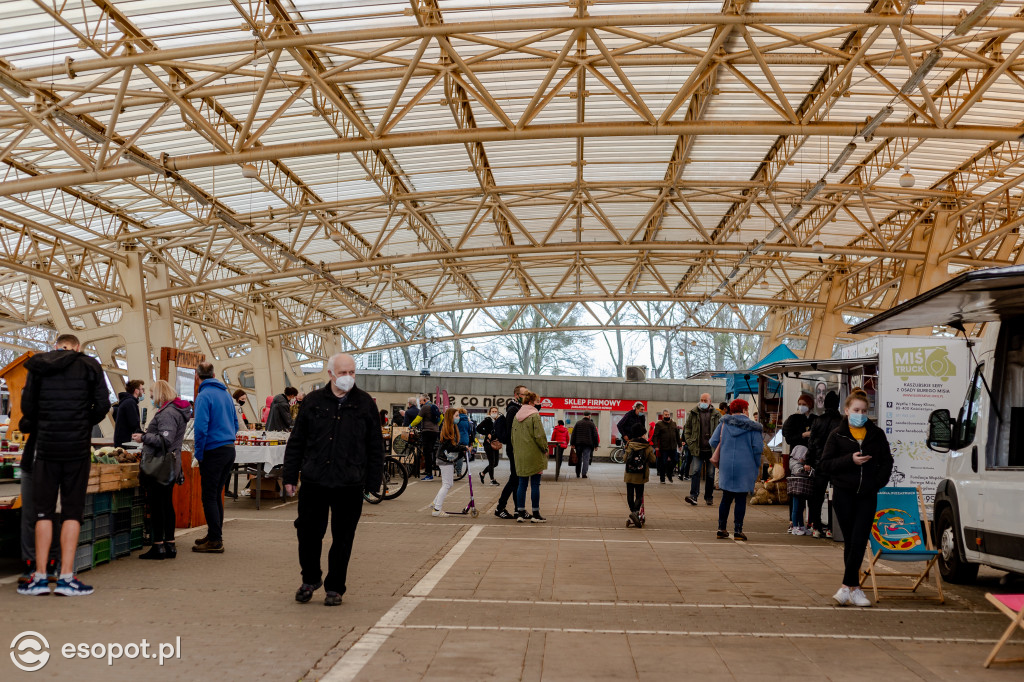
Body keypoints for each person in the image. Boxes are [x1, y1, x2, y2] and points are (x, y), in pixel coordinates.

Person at [283, 353, 383, 606]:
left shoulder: (365, 404)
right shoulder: (314, 401)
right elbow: (297, 441)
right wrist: (289, 475)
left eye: (352, 373)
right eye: (343, 373)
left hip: (349, 483)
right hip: (315, 480)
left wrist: (373, 483)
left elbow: (375, 446)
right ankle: (311, 578)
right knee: (307, 532)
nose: (348, 377)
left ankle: (335, 587)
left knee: (343, 537)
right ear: (330, 374)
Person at [18, 334, 110, 596]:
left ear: (56, 346)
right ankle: (67, 577)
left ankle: (38, 577)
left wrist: (44, 424)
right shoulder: (90, 365)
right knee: (72, 511)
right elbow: (103, 405)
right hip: (76, 450)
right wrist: (82, 423)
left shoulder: (37, 365)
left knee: (42, 512)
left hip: (45, 449)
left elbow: (28, 408)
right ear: (77, 347)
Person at [819, 392, 893, 608]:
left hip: (867, 495)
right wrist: (849, 460)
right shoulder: (837, 435)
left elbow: (887, 462)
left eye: (864, 411)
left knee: (859, 539)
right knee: (850, 541)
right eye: (856, 410)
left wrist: (876, 482)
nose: (860, 414)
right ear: (847, 411)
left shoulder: (876, 434)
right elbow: (825, 464)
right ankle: (854, 588)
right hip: (844, 494)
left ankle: (847, 587)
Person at [134, 380, 190, 560]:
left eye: (151, 394)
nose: (150, 397)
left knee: (157, 505)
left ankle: (158, 545)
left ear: (159, 394)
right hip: (171, 464)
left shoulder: (167, 413)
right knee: (166, 504)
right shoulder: (177, 410)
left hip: (160, 465)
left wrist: (144, 438)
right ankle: (169, 544)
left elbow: (165, 439)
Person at [192, 362, 238, 554]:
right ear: (213, 374)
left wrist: (199, 453)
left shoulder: (204, 396)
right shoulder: (226, 394)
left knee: (209, 496)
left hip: (213, 450)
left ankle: (216, 540)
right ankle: (213, 533)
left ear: (197, 376)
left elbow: (200, 428)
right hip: (228, 448)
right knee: (217, 494)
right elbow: (235, 423)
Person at [710, 399, 763, 541]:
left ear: (732, 410)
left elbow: (713, 441)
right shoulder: (754, 427)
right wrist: (757, 465)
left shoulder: (724, 423)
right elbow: (758, 448)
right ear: (745, 410)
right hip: (745, 465)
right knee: (740, 498)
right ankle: (738, 530)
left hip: (726, 465)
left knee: (726, 498)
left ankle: (721, 529)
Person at [806, 390, 842, 538]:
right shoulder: (842, 422)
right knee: (837, 496)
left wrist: (808, 461)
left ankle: (816, 526)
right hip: (837, 464)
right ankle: (833, 528)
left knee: (817, 497)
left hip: (820, 463)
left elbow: (812, 444)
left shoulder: (818, 421)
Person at [511, 391, 548, 523]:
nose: (539, 404)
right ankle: (535, 513)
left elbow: (512, 437)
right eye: (538, 401)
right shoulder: (534, 415)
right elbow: (539, 436)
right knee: (535, 484)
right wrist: (545, 448)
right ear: (532, 402)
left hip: (520, 454)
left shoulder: (516, 416)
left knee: (522, 484)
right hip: (534, 454)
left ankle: (520, 512)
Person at [494, 385, 527, 518]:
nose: (526, 396)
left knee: (517, 480)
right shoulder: (513, 409)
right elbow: (511, 431)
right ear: (516, 395)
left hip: (518, 448)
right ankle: (500, 507)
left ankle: (517, 509)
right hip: (514, 448)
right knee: (514, 479)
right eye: (524, 394)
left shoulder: (519, 408)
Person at [683, 393, 721, 506]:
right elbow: (687, 428)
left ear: (710, 401)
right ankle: (693, 496)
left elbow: (720, 431)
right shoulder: (694, 413)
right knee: (695, 472)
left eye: (705, 400)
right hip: (697, 449)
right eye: (701, 400)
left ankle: (709, 497)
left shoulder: (717, 414)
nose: (703, 402)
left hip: (711, 450)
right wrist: (690, 442)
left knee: (710, 474)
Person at [430, 408, 467, 518]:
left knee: (449, 484)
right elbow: (450, 446)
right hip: (444, 459)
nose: (458, 418)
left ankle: (434, 503)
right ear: (451, 417)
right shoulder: (448, 430)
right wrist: (463, 448)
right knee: (446, 484)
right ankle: (437, 509)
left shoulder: (452, 428)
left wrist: (462, 448)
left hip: (446, 459)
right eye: (456, 415)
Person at [623, 422, 657, 528]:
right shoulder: (646, 446)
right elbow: (653, 460)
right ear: (642, 434)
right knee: (639, 495)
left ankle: (633, 512)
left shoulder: (630, 444)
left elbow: (624, 459)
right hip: (641, 475)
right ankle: (635, 513)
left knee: (629, 495)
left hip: (629, 474)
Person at [410, 394, 440, 480]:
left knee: (427, 452)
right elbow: (441, 417)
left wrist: (410, 425)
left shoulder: (425, 407)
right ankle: (428, 470)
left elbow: (418, 419)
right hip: (435, 431)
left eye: (420, 401)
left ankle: (429, 474)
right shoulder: (434, 406)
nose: (420, 403)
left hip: (427, 431)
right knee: (430, 451)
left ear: (424, 400)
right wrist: (436, 425)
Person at [787, 445, 813, 536]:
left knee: (801, 508)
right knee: (796, 508)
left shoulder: (796, 462)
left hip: (800, 489)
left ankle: (801, 526)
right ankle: (794, 526)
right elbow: (798, 472)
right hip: (796, 488)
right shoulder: (795, 464)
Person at [112, 379, 145, 446]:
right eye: (142, 389)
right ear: (136, 391)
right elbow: (134, 423)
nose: (143, 392)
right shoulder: (130, 403)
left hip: (122, 440)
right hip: (124, 442)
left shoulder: (127, 401)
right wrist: (145, 436)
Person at [652, 409, 681, 484]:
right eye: (666, 415)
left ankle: (669, 473)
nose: (667, 416)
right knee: (663, 463)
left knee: (675, 460)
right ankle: (662, 479)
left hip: (673, 447)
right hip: (663, 447)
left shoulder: (673, 424)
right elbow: (655, 436)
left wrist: (679, 444)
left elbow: (677, 435)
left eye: (668, 415)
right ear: (663, 415)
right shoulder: (659, 424)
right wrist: (655, 446)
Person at [476, 407, 502, 486]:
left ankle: (482, 473)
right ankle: (492, 480)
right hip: (488, 443)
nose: (494, 412)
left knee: (496, 463)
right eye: (492, 411)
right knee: (491, 462)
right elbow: (478, 428)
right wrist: (487, 434)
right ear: (490, 412)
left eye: (495, 411)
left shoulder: (498, 420)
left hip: (495, 443)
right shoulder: (487, 420)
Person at [569, 411, 599, 478]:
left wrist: (572, 443)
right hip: (588, 444)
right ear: (589, 416)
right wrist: (596, 445)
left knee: (578, 458)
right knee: (586, 459)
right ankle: (584, 474)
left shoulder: (578, 423)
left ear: (583, 415)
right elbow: (595, 435)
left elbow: (573, 434)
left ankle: (577, 473)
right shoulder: (591, 424)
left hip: (578, 444)